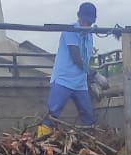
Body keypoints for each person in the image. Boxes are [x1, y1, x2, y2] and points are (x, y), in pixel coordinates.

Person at [42, 2, 99, 132]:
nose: (86, 24)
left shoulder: (90, 36)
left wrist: (91, 81)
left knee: (88, 116)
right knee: (52, 114)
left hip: (80, 83)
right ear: (78, 16)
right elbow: (76, 58)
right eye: (84, 21)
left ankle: (89, 141)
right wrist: (95, 74)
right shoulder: (70, 30)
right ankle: (41, 140)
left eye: (89, 22)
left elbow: (85, 60)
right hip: (63, 80)